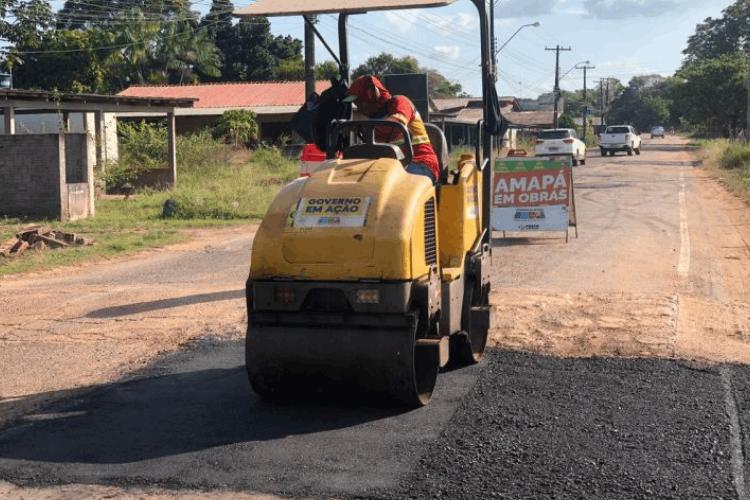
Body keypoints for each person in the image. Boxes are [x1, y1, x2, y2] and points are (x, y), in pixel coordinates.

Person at [343, 75, 440, 185]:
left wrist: (362, 129)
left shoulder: (400, 103)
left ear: (373, 94)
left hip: (420, 163)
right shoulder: (374, 120)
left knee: (396, 189)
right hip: (391, 167)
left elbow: (394, 127)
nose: (358, 106)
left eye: (360, 101)